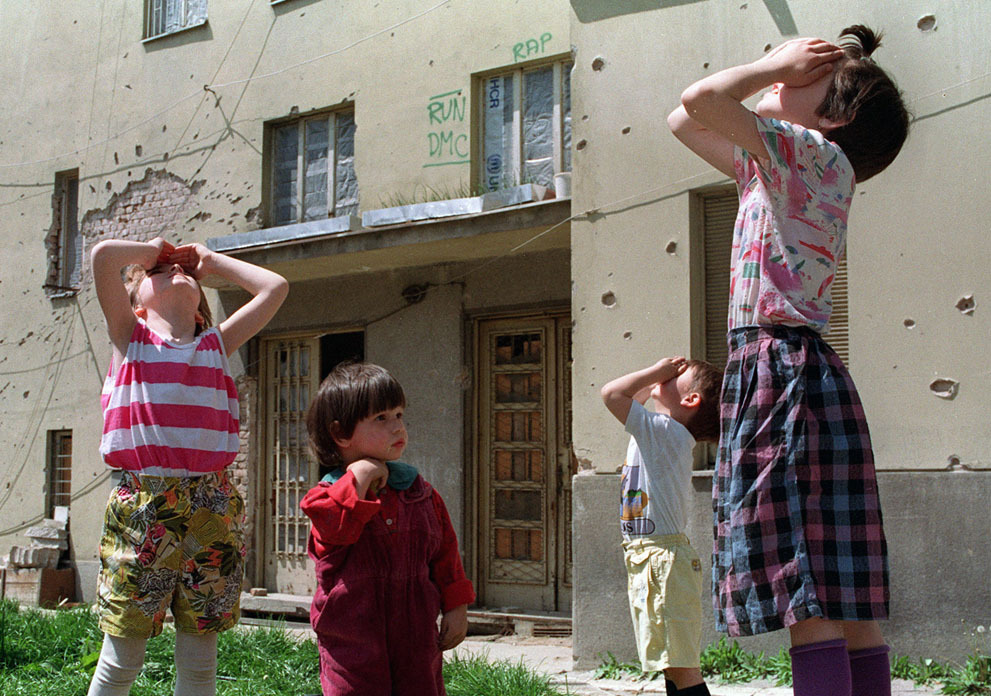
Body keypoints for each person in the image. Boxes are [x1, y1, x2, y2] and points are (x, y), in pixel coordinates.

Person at [667, 25, 909, 696]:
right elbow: (683, 118)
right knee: (838, 589)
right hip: (790, 370)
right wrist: (789, 75)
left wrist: (768, 64)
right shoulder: (786, 162)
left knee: (806, 584)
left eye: (800, 79)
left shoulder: (813, 154)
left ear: (836, 117)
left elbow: (699, 97)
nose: (782, 78)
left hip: (781, 371)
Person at [88, 236, 288, 696]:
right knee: (123, 659)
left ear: (201, 310)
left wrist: (212, 261)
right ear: (136, 305)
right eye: (158, 274)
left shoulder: (217, 345)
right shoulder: (130, 339)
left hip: (212, 506)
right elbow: (102, 257)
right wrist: (150, 250)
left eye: (186, 275)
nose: (175, 272)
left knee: (200, 661)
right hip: (144, 508)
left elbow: (275, 287)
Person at [300, 361, 475, 696]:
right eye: (381, 418)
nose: (398, 427)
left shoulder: (419, 491)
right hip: (352, 635)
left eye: (399, 415)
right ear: (341, 434)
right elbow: (337, 530)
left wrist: (457, 606)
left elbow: (445, 554)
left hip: (416, 631)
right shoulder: (325, 496)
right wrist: (360, 476)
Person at [601, 356, 723, 696]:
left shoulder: (662, 431)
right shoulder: (659, 430)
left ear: (691, 400)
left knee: (681, 669)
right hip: (653, 559)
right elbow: (628, 398)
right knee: (672, 665)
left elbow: (613, 394)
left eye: (679, 376)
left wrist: (655, 371)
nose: (670, 375)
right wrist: (658, 381)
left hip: (660, 562)